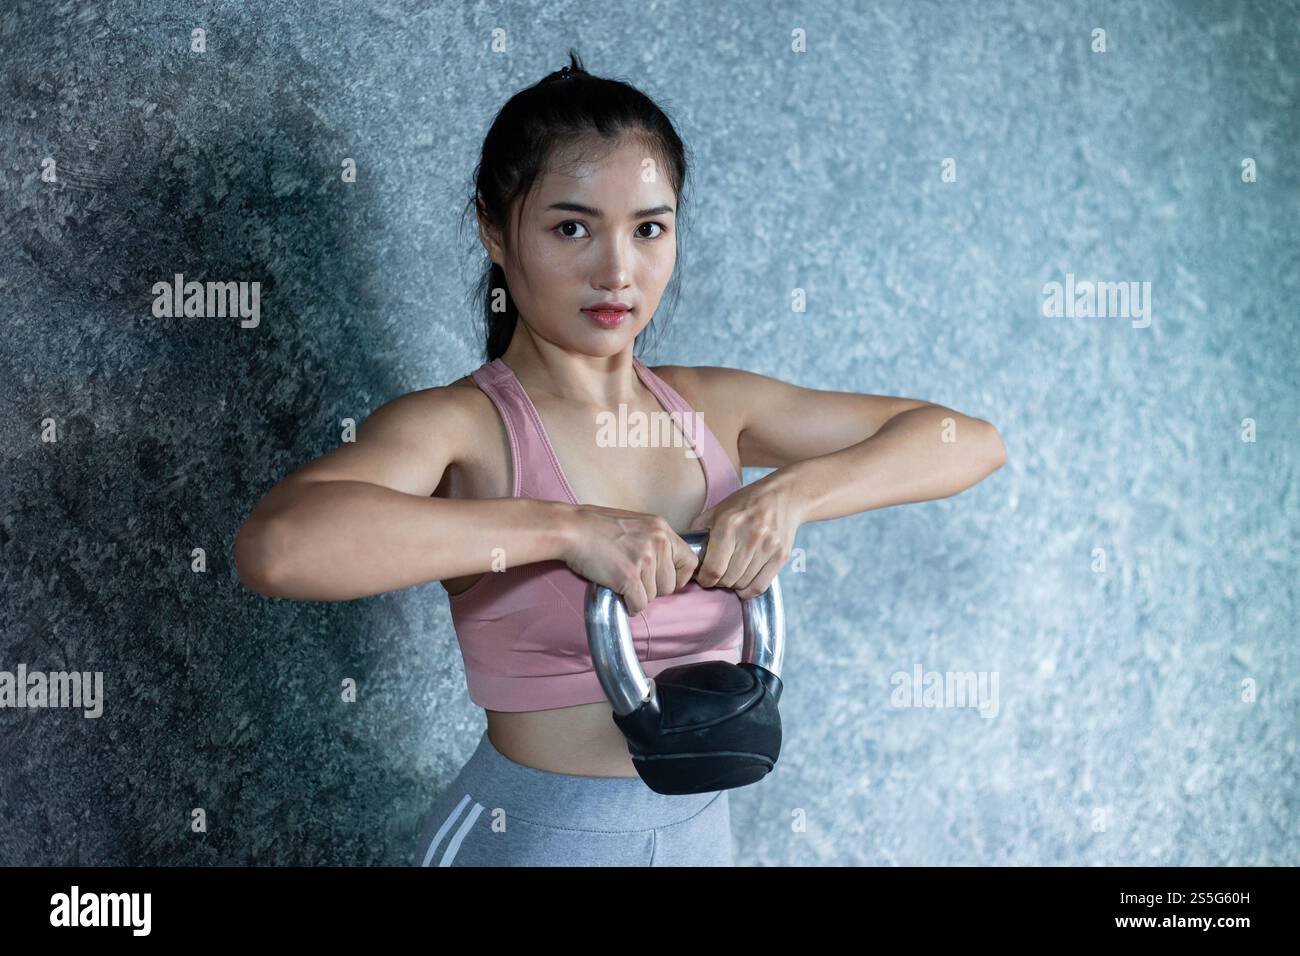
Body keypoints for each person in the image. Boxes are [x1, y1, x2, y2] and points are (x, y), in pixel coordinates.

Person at [232, 50, 1008, 867]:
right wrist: (568, 530)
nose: (617, 271)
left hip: (699, 838)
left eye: (649, 229)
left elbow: (968, 442)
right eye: (572, 227)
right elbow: (279, 547)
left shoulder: (715, 407)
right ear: (494, 230)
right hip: (525, 839)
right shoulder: (462, 428)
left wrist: (793, 495)